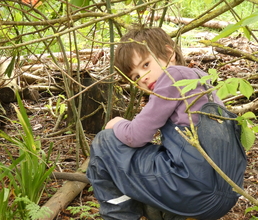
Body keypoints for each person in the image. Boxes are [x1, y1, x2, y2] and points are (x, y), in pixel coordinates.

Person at [86, 27, 247, 220]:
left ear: (169, 53)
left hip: (193, 190)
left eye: (145, 65)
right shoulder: (200, 79)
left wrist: (117, 123)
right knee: (161, 155)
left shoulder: (174, 76)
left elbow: (136, 136)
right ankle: (161, 212)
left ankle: (120, 216)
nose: (143, 78)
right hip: (228, 193)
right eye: (135, 77)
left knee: (106, 142)